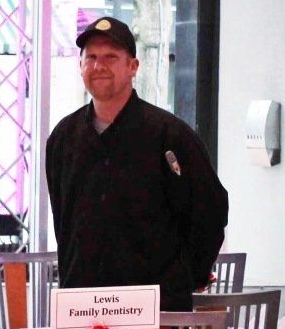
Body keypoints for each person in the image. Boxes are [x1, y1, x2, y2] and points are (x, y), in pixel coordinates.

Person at [46, 16, 229, 311]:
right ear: (80, 66)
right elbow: (63, 222)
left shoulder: (170, 136)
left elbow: (209, 211)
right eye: (91, 57)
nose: (98, 66)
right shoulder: (64, 138)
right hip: (83, 307)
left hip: (156, 308)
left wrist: (185, 278)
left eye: (111, 57)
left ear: (133, 66)